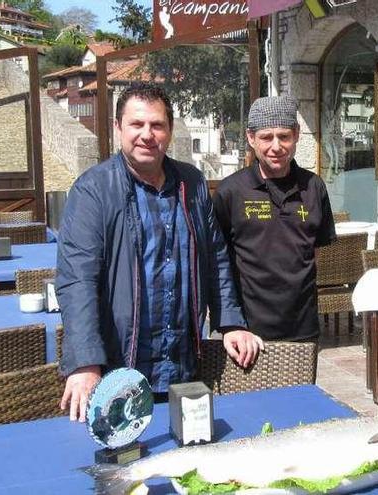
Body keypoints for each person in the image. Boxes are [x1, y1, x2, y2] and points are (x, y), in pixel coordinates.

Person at [56, 83, 261, 422]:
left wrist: (231, 323)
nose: (147, 135)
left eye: (157, 125)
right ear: (118, 127)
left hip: (182, 366)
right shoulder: (93, 189)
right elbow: (77, 281)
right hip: (119, 369)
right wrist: (84, 362)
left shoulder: (191, 184)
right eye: (137, 125)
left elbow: (216, 259)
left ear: (169, 129)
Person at [213, 95, 336, 343]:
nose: (276, 146)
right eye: (266, 137)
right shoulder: (231, 191)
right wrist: (230, 323)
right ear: (251, 138)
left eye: (284, 136)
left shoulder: (314, 187)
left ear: (297, 135)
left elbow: (315, 254)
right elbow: (217, 262)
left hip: (303, 329)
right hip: (248, 331)